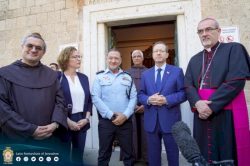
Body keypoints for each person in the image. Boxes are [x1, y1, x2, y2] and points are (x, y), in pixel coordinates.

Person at [184, 18, 250, 166]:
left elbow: (237, 80)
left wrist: (211, 106)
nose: (204, 34)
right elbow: (188, 85)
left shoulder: (234, 49)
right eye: (200, 31)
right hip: (200, 112)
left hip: (225, 113)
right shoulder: (194, 59)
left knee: (227, 151)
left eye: (208, 29)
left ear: (218, 31)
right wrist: (198, 103)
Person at [0, 33, 68, 163]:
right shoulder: (4, 73)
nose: (33, 50)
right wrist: (30, 130)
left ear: (43, 53)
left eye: (38, 48)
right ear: (22, 47)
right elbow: (2, 108)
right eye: (29, 46)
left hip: (48, 138)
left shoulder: (52, 75)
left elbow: (60, 102)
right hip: (15, 140)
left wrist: (55, 124)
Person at [138, 41, 186, 166]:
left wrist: (167, 100)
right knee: (153, 157)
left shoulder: (177, 71)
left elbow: (183, 93)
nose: (158, 53)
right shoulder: (145, 74)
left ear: (166, 54)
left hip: (170, 120)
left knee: (173, 154)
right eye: (155, 51)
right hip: (151, 122)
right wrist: (149, 100)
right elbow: (141, 95)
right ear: (152, 55)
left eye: (161, 51)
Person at [92, 48, 137, 166]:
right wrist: (111, 115)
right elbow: (95, 98)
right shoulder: (99, 77)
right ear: (107, 60)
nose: (113, 61)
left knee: (128, 154)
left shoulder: (128, 77)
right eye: (111, 58)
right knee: (104, 154)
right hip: (106, 122)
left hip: (125, 121)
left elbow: (133, 98)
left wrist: (125, 115)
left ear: (120, 60)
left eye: (116, 58)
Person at [57, 46, 92, 166]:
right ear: (66, 59)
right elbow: (54, 103)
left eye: (79, 56)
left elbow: (89, 101)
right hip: (63, 120)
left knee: (78, 155)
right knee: (63, 155)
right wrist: (67, 120)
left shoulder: (83, 78)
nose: (79, 59)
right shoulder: (58, 78)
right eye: (75, 57)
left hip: (82, 119)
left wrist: (86, 119)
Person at [120, 50, 148, 164]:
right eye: (134, 56)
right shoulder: (125, 73)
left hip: (147, 108)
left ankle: (147, 158)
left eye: (138, 56)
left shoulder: (149, 72)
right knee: (131, 133)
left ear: (142, 58)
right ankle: (132, 157)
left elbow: (153, 90)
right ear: (132, 58)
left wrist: (145, 105)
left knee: (146, 133)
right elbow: (122, 91)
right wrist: (132, 105)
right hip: (130, 108)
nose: (136, 58)